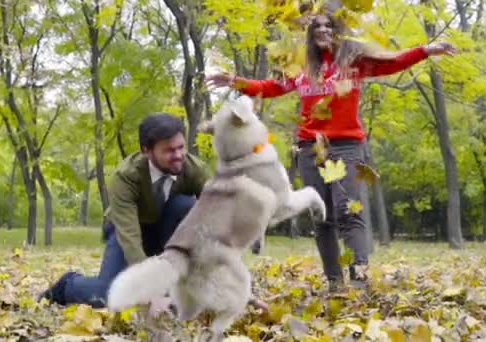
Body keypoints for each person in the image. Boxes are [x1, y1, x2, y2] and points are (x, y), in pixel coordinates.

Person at [206, 12, 456, 290]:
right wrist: (234, 81)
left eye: (329, 25)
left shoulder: (353, 62)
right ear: (310, 34)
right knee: (322, 216)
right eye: (317, 26)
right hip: (310, 149)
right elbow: (271, 87)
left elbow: (393, 62)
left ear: (338, 31)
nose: (323, 30)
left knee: (349, 211)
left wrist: (426, 50)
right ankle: (335, 282)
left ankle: (359, 279)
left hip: (346, 146)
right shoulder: (302, 66)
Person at [38, 113, 211, 308]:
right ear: (146, 150)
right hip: (127, 231)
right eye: (169, 151)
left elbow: (216, 218)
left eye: (181, 147)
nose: (179, 155)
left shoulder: (194, 170)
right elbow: (129, 236)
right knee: (108, 296)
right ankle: (68, 284)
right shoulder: (125, 177)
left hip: (166, 229)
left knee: (185, 205)